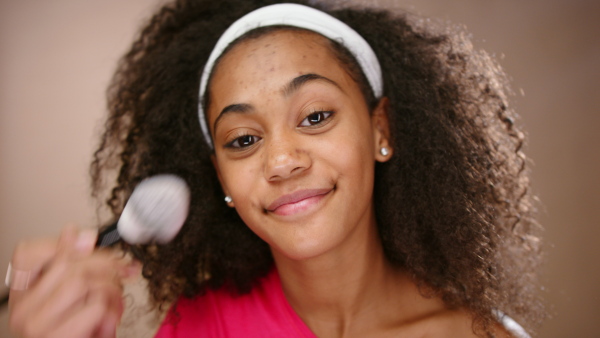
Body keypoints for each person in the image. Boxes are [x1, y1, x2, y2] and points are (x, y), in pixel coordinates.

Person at [7, 0, 544, 337]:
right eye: (242, 139)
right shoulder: (199, 328)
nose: (282, 161)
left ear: (382, 130)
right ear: (220, 178)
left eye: (314, 116)